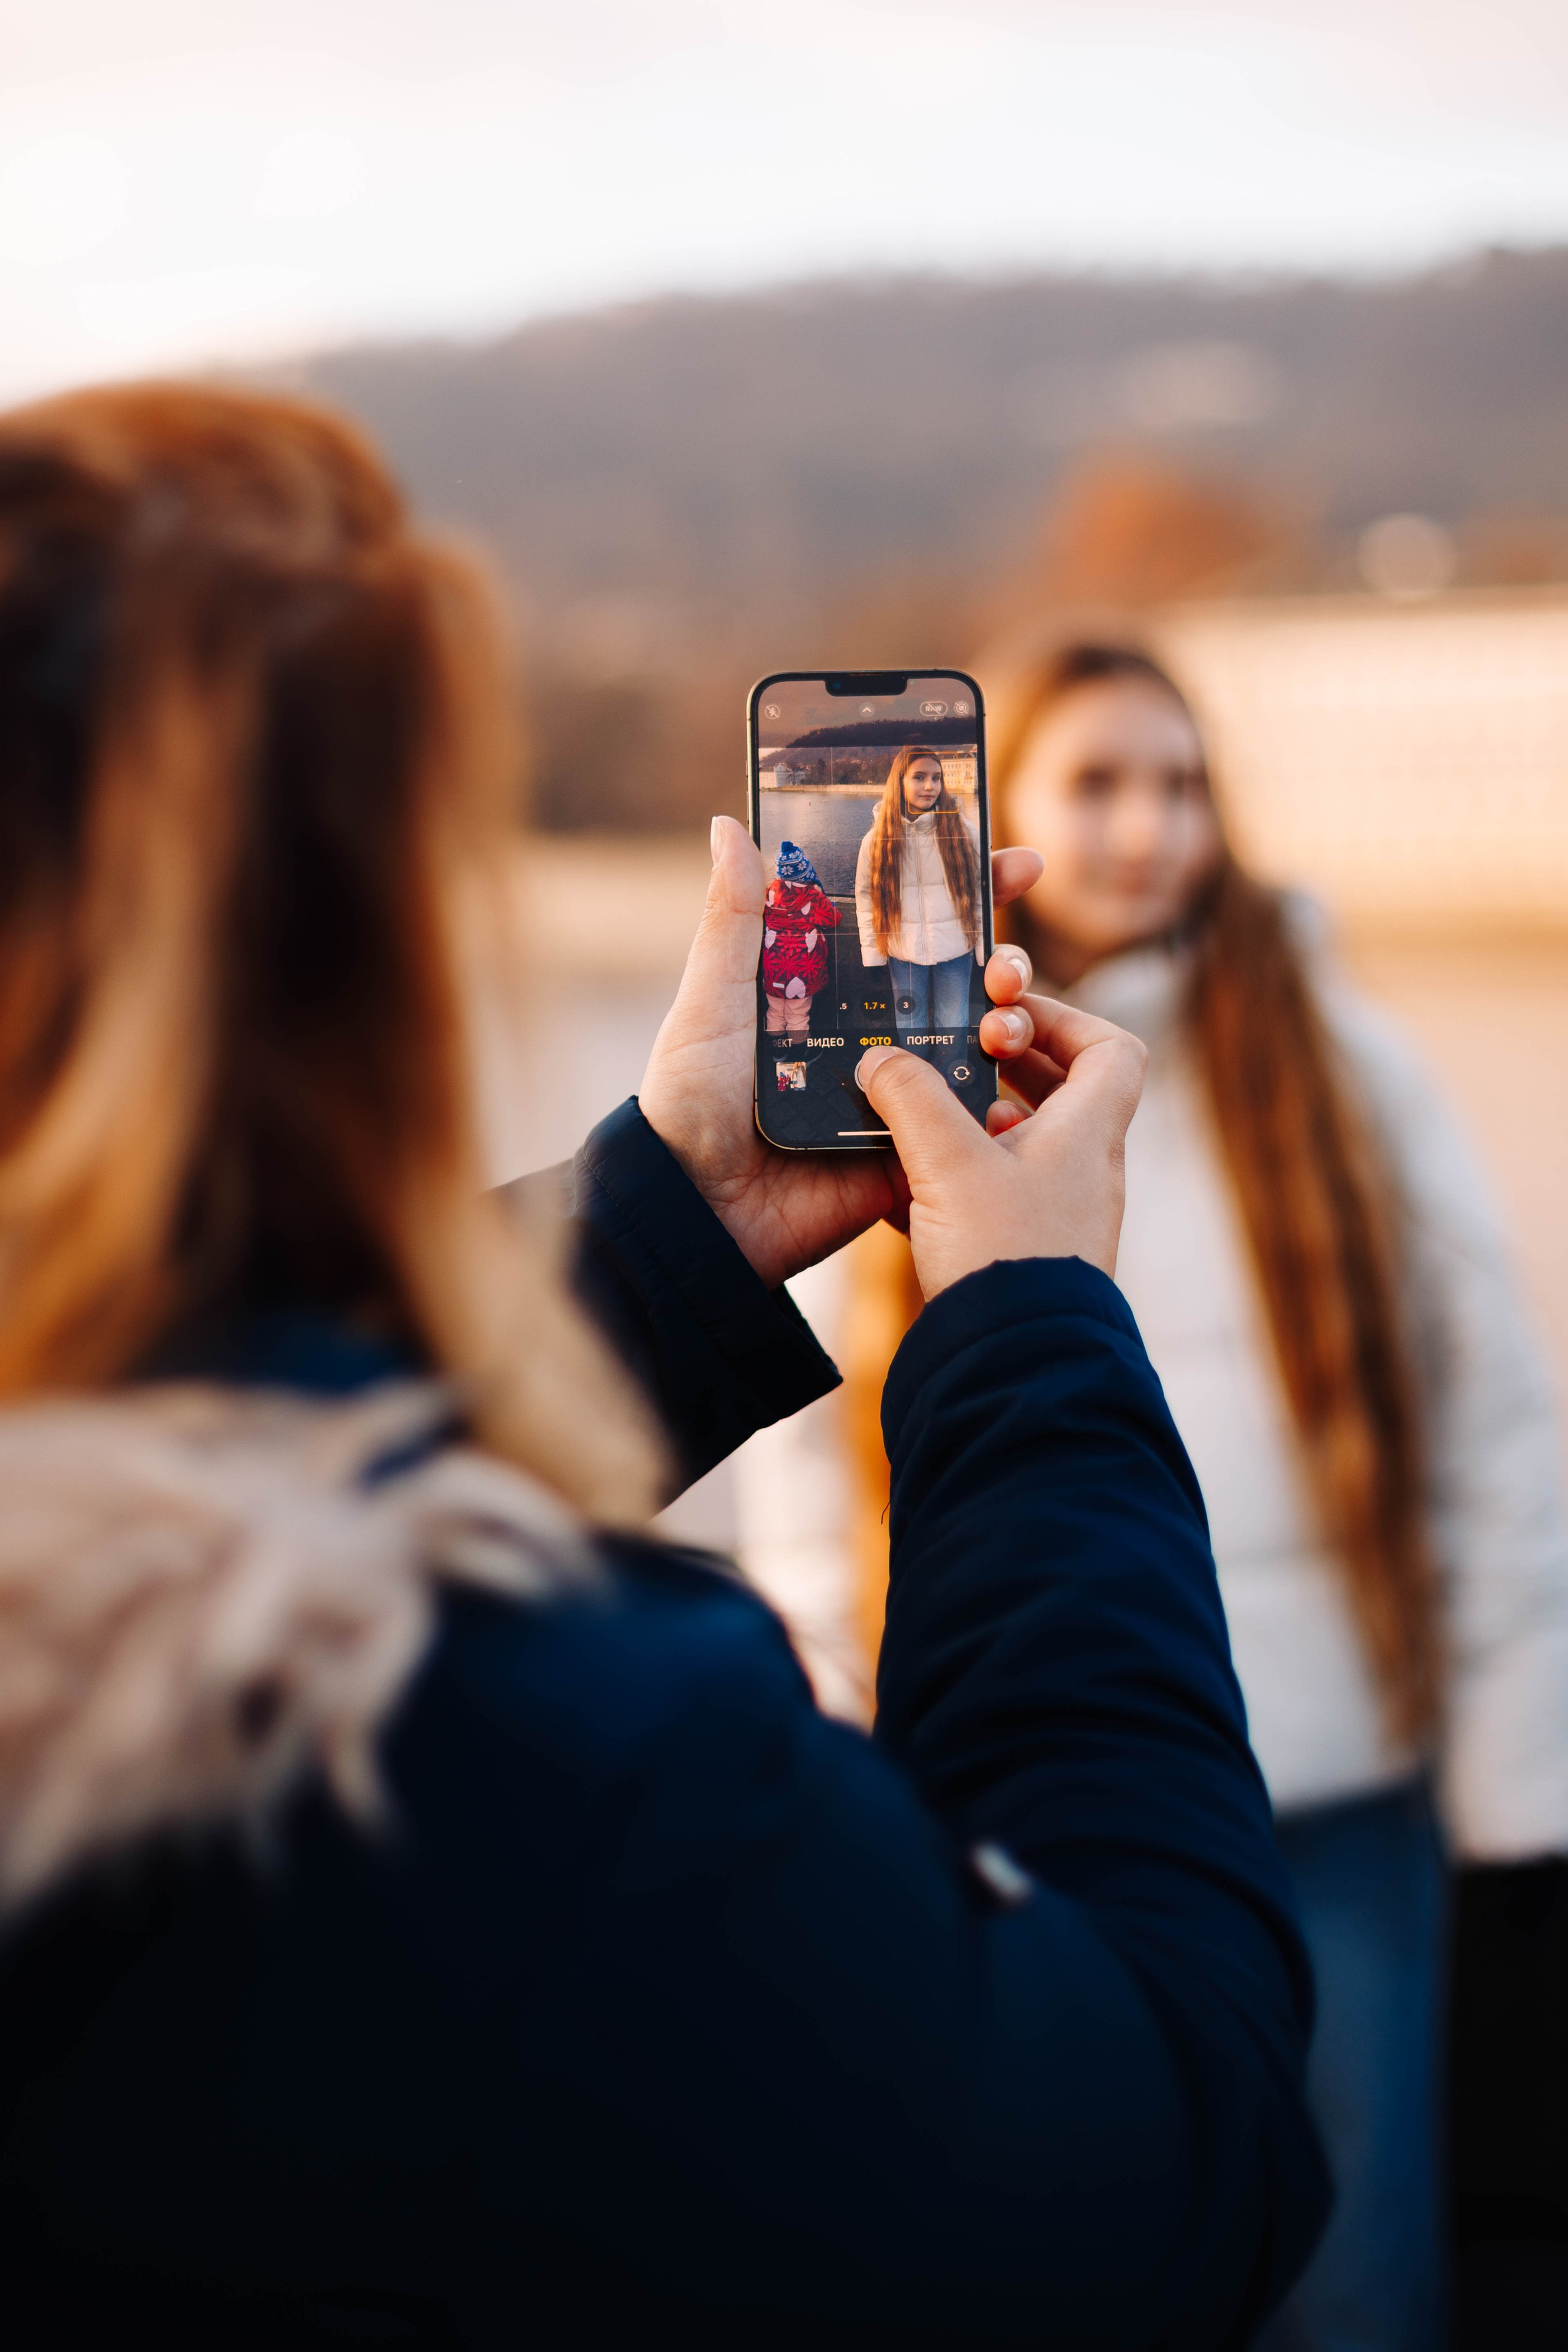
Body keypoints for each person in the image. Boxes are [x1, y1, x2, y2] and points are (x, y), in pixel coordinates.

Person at [0, 390, 1328, 2347]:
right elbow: (1170, 2157)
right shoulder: (524, 1752)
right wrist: (1031, 1339)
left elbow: (231, 1437)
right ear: (370, 962)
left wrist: (667, 1226)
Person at [973, 638, 1568, 2352]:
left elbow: (1487, 1411)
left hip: (1333, 1785)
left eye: (1181, 784)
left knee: (1359, 2284)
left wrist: (1516, 1786)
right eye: (1097, 782)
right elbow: (821, 1448)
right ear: (1010, 812)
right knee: (1096, 2282)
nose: (1146, 826)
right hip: (1049, 1800)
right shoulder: (931, 1072)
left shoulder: (1333, 1052)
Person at [855, 744, 981, 1077]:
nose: (930, 786)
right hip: (904, 952)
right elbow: (866, 898)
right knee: (912, 1026)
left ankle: (949, 1086)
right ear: (900, 782)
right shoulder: (876, 840)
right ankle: (918, 1086)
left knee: (953, 1025)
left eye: (936, 778)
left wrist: (985, 946)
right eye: (920, 777)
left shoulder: (963, 831)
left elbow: (980, 891)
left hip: (955, 950)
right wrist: (873, 953)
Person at [762, 837, 840, 1044]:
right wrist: (821, 896)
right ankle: (799, 1051)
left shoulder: (770, 890)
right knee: (797, 1014)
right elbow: (833, 919)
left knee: (775, 1011)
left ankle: (777, 1052)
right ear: (805, 871)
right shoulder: (812, 896)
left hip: (774, 966)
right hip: (802, 969)